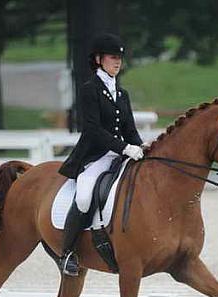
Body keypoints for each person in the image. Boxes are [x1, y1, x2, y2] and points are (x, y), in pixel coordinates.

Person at [58, 33, 144, 276]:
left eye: (120, 58)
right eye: (112, 58)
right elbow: (93, 130)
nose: (117, 62)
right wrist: (124, 148)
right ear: (98, 59)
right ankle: (66, 254)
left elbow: (129, 129)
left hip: (119, 156)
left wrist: (141, 146)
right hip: (95, 157)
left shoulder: (121, 93)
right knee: (84, 197)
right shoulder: (90, 89)